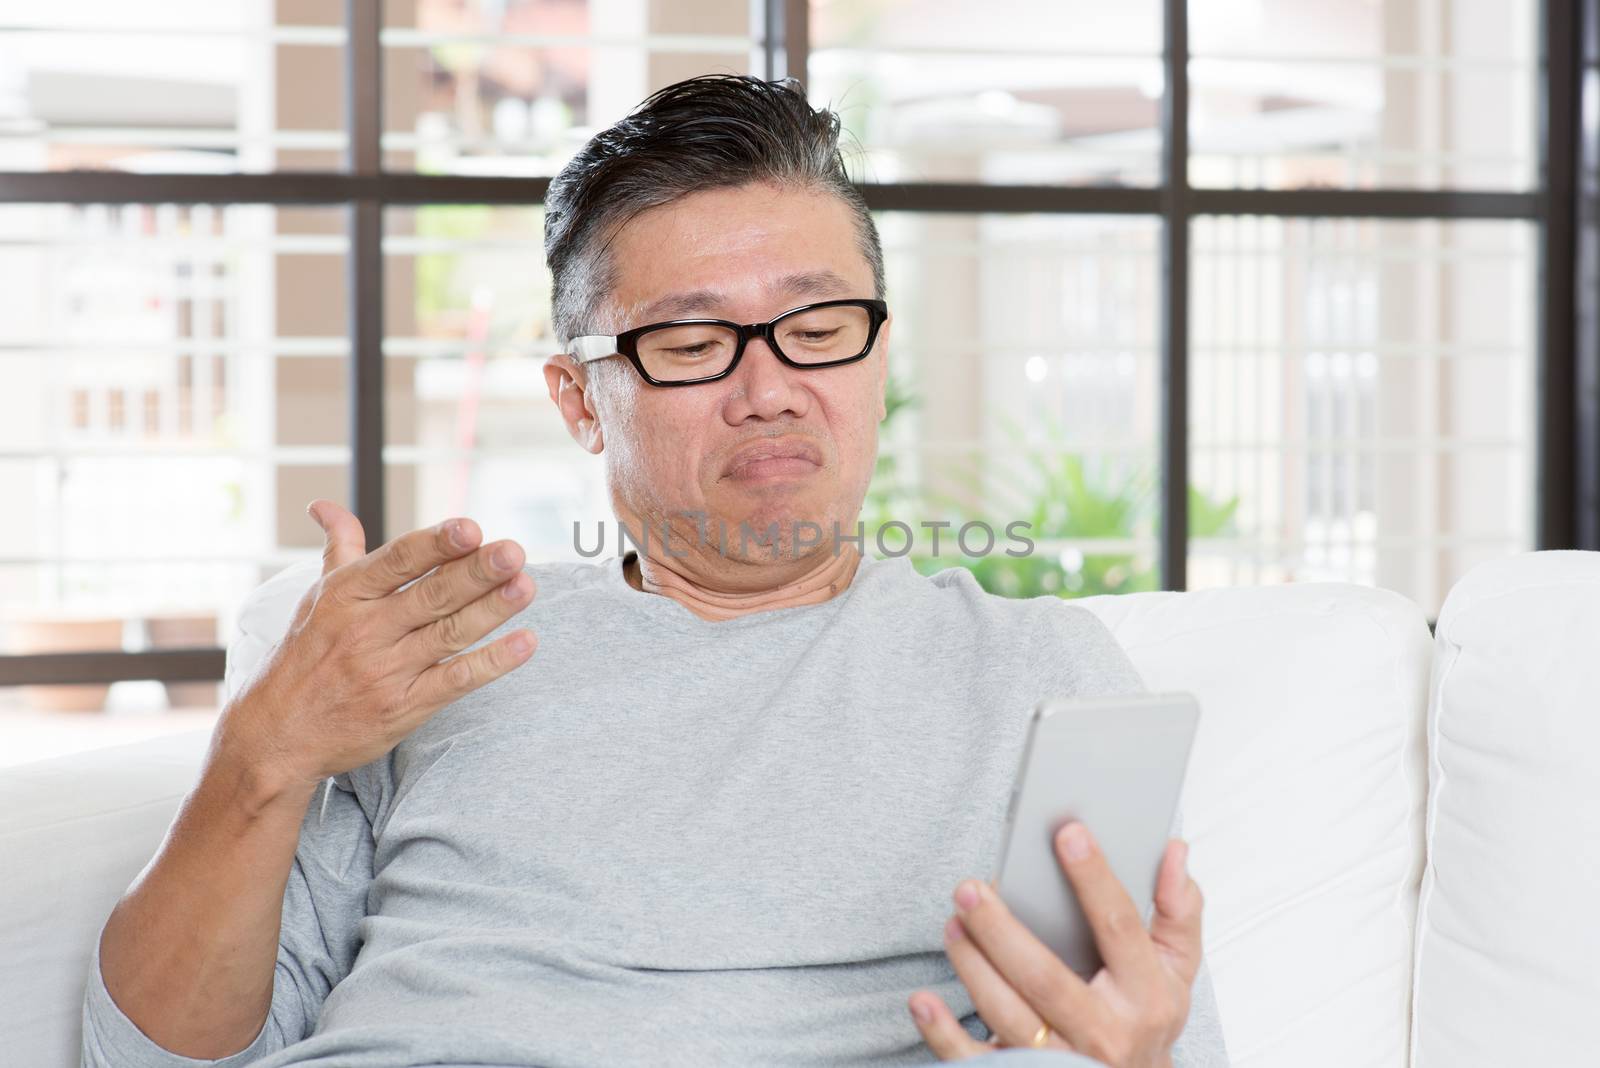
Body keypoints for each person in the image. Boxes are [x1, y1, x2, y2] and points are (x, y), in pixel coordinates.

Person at [82, 75, 1227, 1068]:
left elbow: (1130, 1024)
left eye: (818, 326)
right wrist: (264, 754)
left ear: (878, 353)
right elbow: (148, 1052)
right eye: (688, 345)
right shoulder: (431, 652)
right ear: (580, 400)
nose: (768, 388)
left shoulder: (1038, 671)